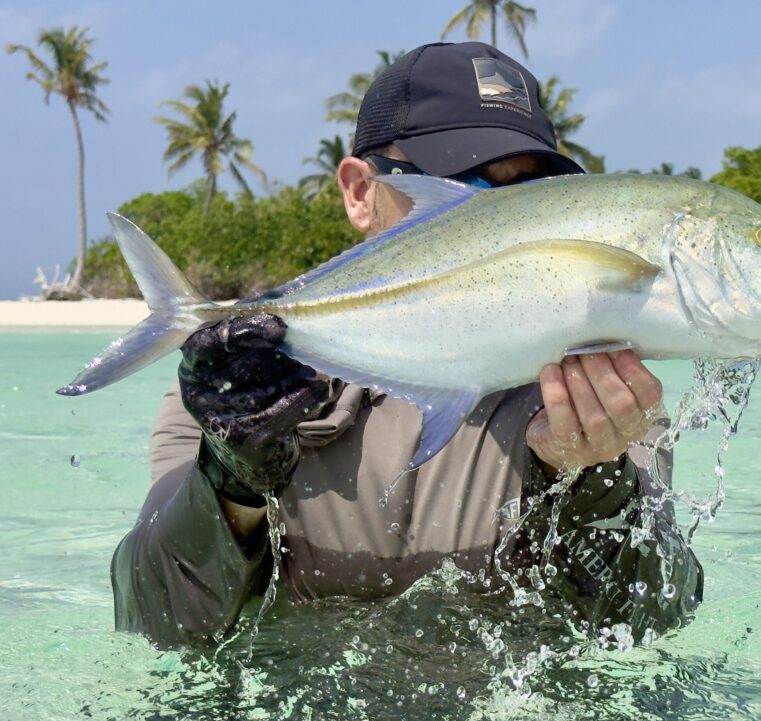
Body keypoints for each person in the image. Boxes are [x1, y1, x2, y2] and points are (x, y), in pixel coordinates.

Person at [111, 42, 703, 647]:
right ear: (359, 192)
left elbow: (651, 620)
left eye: (526, 193)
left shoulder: (604, 390)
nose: (495, 219)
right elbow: (155, 618)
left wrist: (587, 480)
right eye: (453, 183)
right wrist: (231, 480)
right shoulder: (239, 388)